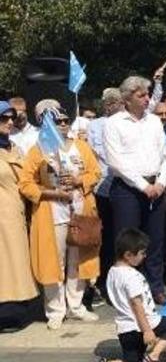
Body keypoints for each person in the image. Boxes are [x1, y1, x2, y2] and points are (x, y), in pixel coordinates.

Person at [19, 104, 101, 329]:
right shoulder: (38, 150)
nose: (64, 125)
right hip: (52, 214)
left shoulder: (81, 146)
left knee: (78, 260)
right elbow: (25, 183)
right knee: (54, 263)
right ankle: (55, 310)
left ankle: (76, 306)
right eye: (58, 122)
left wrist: (79, 181)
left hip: (80, 210)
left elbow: (95, 172)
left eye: (66, 120)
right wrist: (51, 193)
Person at [105, 76, 166, 305]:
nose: (147, 98)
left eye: (147, 94)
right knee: (128, 241)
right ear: (127, 99)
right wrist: (143, 186)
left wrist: (161, 182)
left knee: (156, 239)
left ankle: (155, 287)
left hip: (156, 187)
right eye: (141, 95)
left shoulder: (154, 121)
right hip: (128, 189)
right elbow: (116, 161)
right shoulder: (114, 123)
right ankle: (128, 290)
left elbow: (165, 154)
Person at [107, 228, 166, 362]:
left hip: (125, 329)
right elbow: (136, 305)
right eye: (142, 253)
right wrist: (147, 330)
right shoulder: (132, 276)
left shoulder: (112, 272)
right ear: (128, 255)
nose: (145, 256)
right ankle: (154, 356)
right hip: (146, 324)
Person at [0, 101, 40, 331]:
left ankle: (16, 309)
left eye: (11, 118)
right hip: (2, 215)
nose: (9, 122)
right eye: (3, 118)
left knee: (16, 262)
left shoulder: (14, 147)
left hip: (17, 213)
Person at [87, 87, 125, 298]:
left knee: (121, 232)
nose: (112, 106)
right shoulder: (94, 125)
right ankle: (102, 279)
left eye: (116, 103)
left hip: (124, 185)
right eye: (109, 103)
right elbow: (92, 153)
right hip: (102, 186)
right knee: (104, 235)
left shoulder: (128, 123)